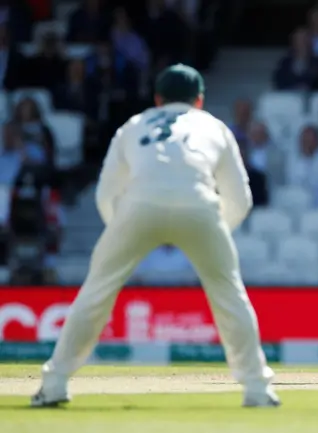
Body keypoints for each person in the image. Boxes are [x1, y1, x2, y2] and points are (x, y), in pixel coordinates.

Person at [31, 64, 280, 408]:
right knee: (229, 293)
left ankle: (54, 382)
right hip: (200, 205)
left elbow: (105, 194)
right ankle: (257, 388)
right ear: (200, 100)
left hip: (138, 205)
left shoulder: (133, 125)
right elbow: (241, 200)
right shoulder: (214, 126)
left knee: (96, 289)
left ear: (158, 99)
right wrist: (215, 231)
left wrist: (123, 233)